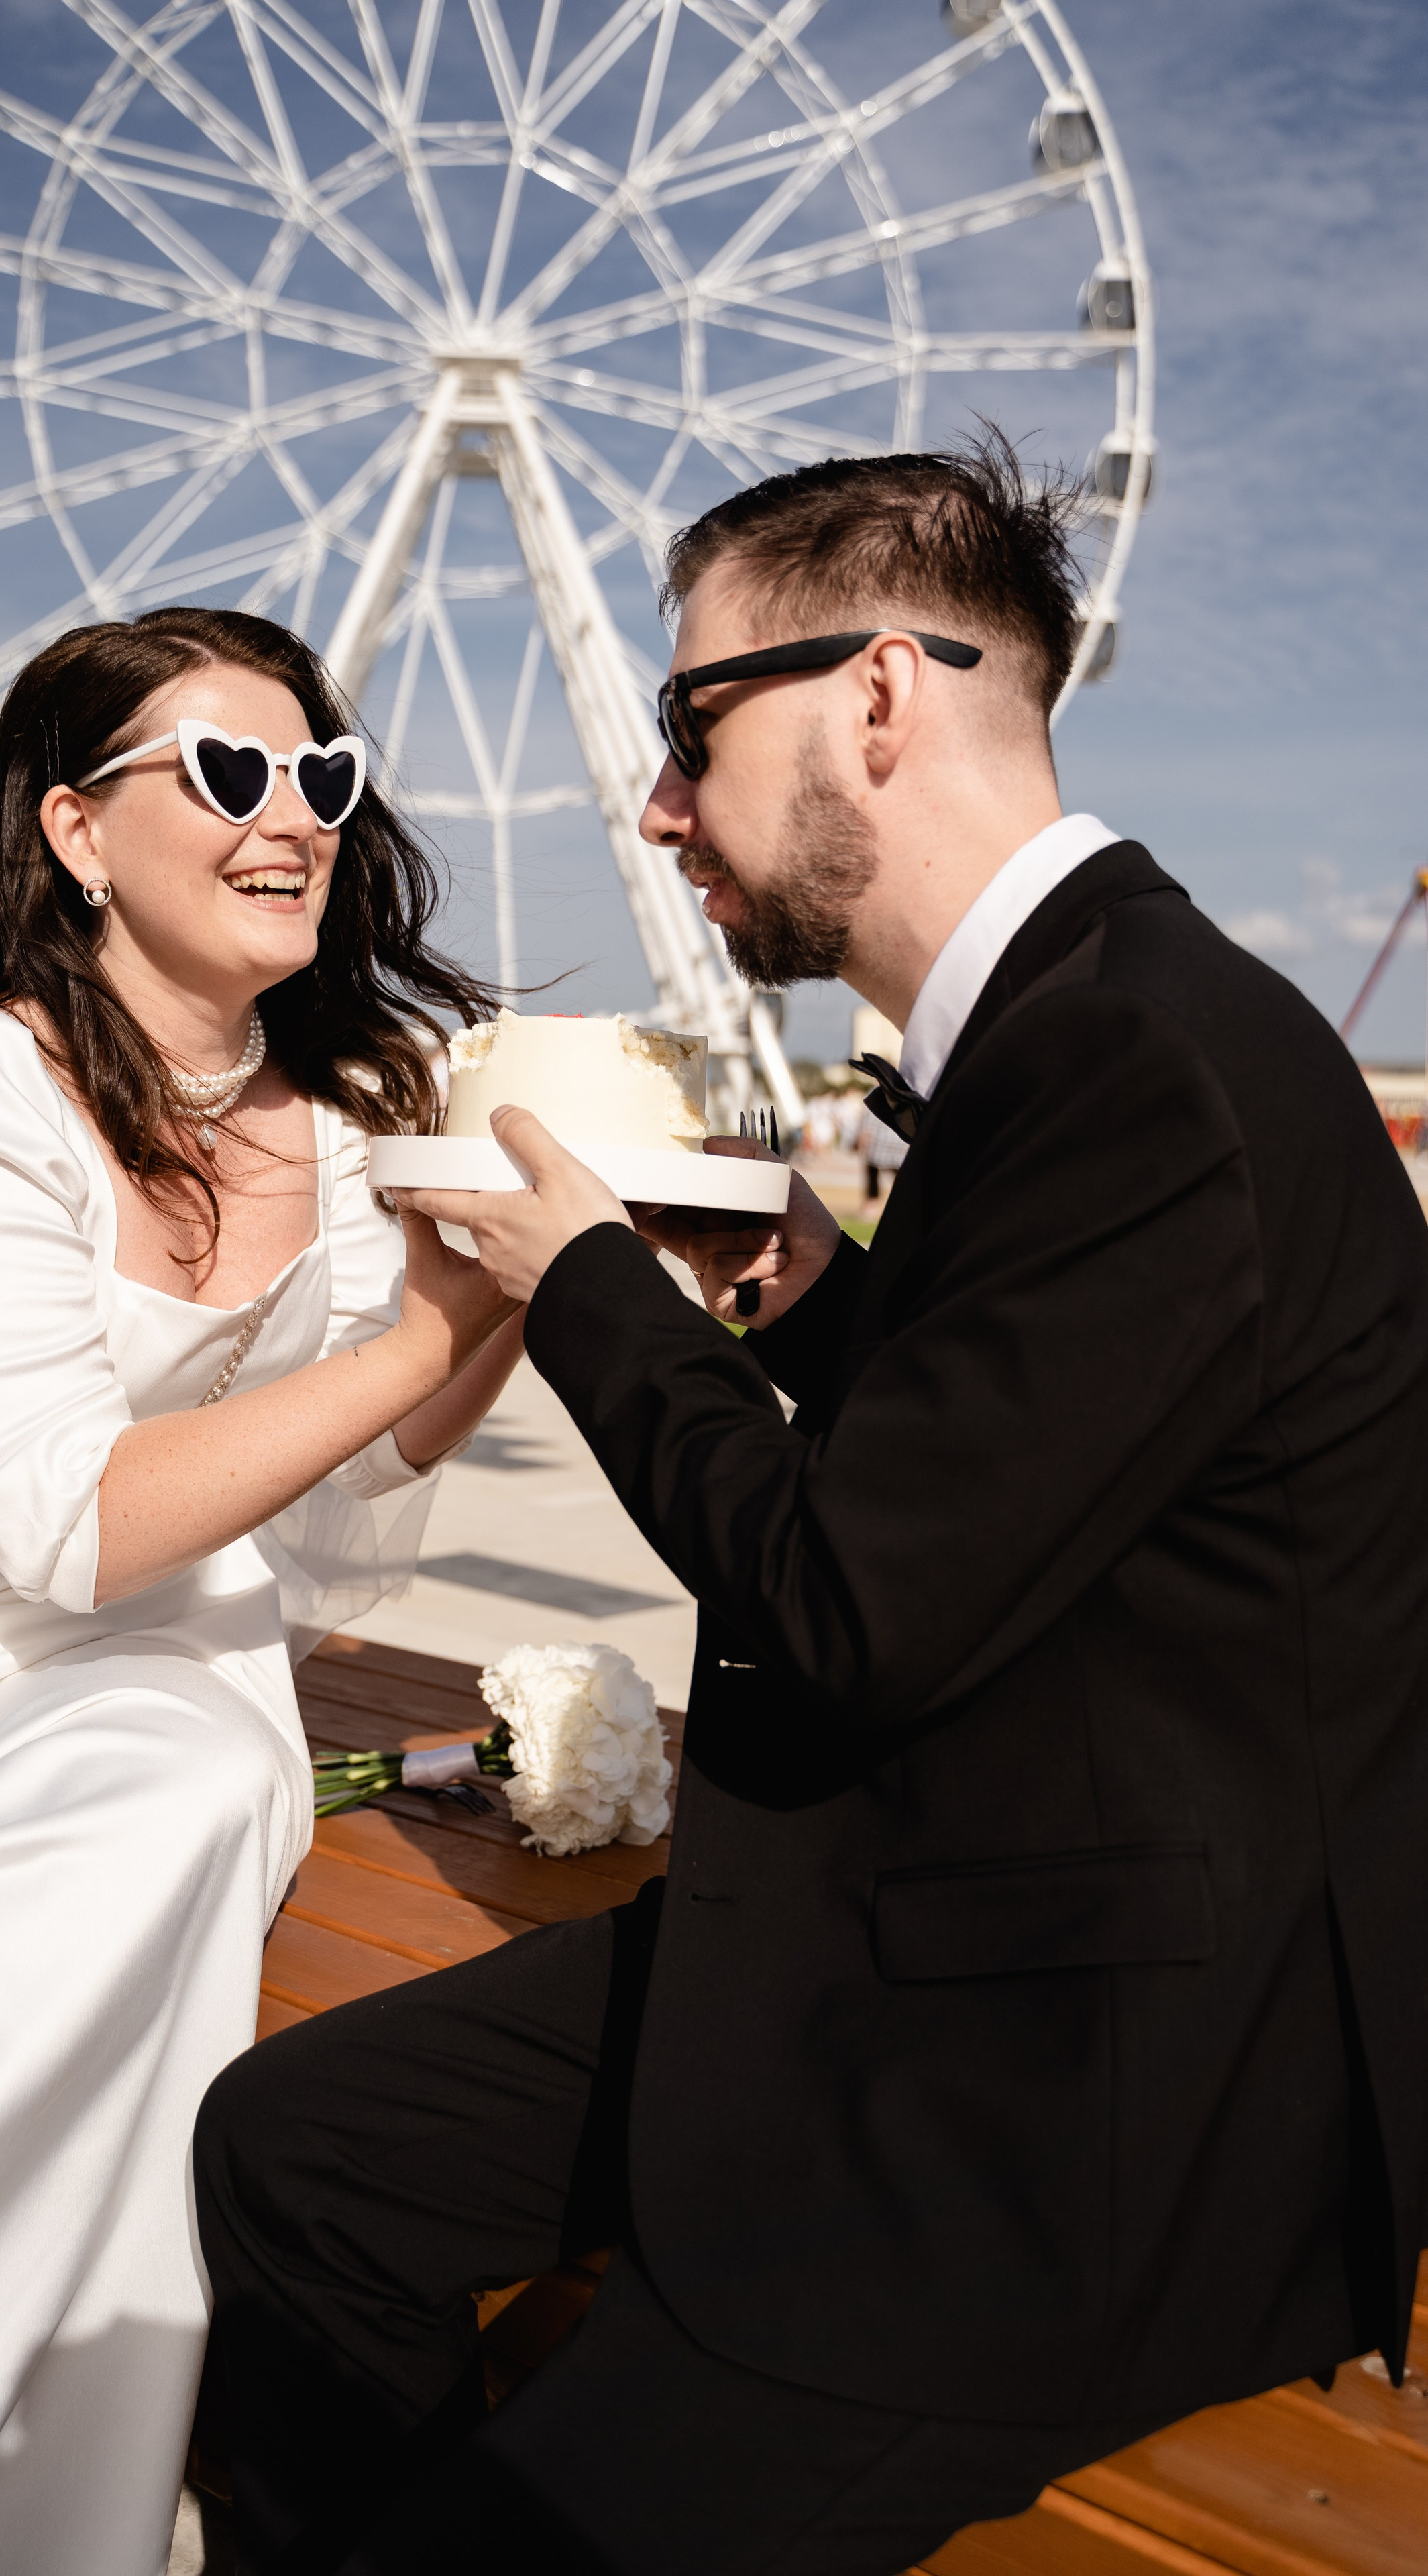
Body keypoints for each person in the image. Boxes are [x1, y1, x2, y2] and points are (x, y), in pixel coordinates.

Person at [194, 439, 1428, 2575]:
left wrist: (574, 1277)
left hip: (1062, 2099)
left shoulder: (1134, 1055)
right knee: (294, 2155)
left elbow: (849, 1606)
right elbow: (1045, 1474)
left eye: (691, 728)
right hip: (927, 1930)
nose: (654, 804)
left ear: (876, 699)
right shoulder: (1093, 1024)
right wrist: (800, 1294)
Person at [0, 606, 520, 2575]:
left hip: (163, 1657)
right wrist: (418, 1346)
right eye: (228, 772)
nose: (296, 815)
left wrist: (502, 1303)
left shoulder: (345, 1137)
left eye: (320, 775)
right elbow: (56, 1520)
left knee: (153, 1793)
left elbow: (321, 1546)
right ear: (76, 829)